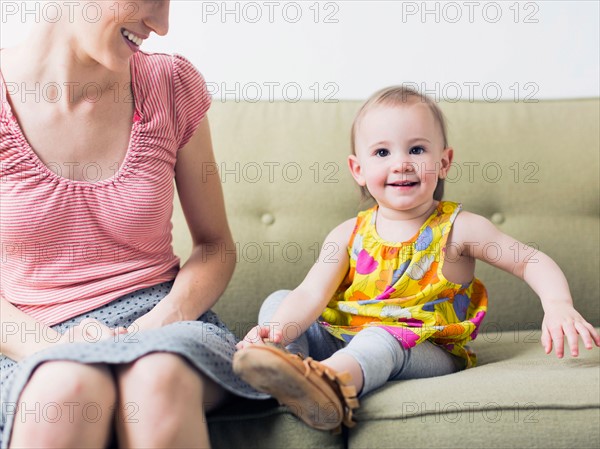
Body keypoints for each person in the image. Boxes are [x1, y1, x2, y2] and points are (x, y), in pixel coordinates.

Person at [233, 85, 600, 433]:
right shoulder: (348, 234)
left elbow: (528, 260)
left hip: (423, 348)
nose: (402, 164)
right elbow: (310, 294)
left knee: (380, 337)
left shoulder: (459, 228)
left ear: (444, 162)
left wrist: (558, 305)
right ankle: (287, 367)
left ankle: (330, 386)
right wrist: (277, 331)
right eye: (382, 152)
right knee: (280, 301)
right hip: (343, 336)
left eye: (417, 150)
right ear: (357, 169)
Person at [0, 1, 267, 448]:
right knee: (66, 389)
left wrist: (161, 322)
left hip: (163, 324)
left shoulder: (171, 85)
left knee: (155, 378)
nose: (161, 26)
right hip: (30, 339)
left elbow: (215, 244)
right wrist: (50, 348)